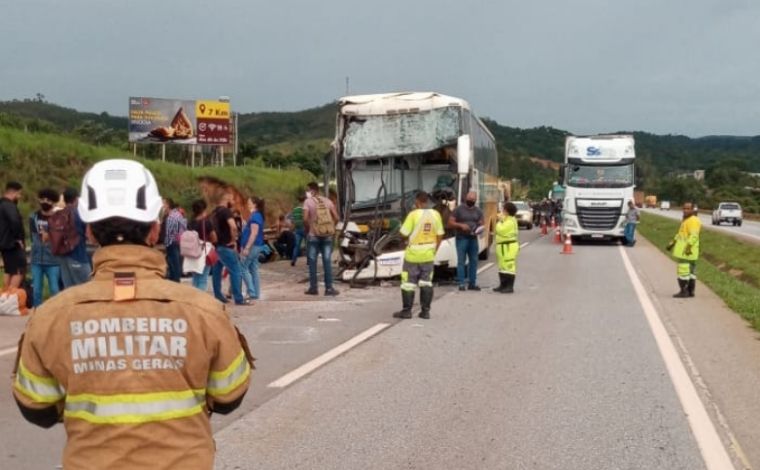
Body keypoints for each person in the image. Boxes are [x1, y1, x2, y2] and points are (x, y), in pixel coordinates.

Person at [12, 159, 252, 470]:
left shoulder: (50, 316)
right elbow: (229, 395)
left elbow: (36, 407)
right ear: (155, 229)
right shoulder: (203, 311)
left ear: (90, 231)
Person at [393, 192, 444, 319]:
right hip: (428, 255)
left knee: (408, 283)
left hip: (413, 255)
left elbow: (404, 233)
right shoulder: (436, 214)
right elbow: (440, 234)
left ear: (417, 202)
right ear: (428, 202)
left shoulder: (413, 215)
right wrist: (434, 250)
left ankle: (407, 311)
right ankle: (425, 312)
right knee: (426, 282)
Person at [211, 193, 250, 305]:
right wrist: (233, 241)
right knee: (236, 270)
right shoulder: (226, 211)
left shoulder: (214, 213)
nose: (233, 202)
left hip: (217, 246)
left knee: (217, 271)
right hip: (226, 246)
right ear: (226, 199)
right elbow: (233, 226)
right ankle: (238, 298)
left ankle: (218, 295)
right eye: (232, 199)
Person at [303, 182, 339, 296]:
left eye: (307, 190)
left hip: (313, 236)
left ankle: (313, 288)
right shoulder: (327, 201)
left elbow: (304, 219)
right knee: (327, 261)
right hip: (327, 236)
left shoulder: (307, 202)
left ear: (312, 191)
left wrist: (310, 228)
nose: (307, 193)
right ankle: (329, 289)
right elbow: (337, 217)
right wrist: (330, 227)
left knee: (312, 262)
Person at [28, 188, 61, 307]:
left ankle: (56, 312)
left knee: (54, 289)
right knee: (36, 290)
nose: (45, 202)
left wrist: (50, 234)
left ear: (54, 202)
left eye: (48, 200)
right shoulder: (33, 217)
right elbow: (33, 237)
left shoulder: (58, 218)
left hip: (53, 261)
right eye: (43, 199)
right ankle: (37, 315)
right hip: (36, 260)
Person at [56, 187, 92, 288]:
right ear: (76, 199)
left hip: (63, 258)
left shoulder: (58, 214)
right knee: (86, 288)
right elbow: (89, 234)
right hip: (78, 256)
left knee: (69, 290)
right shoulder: (79, 214)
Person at [448, 191, 484, 291]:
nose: (471, 201)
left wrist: (479, 228)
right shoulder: (458, 209)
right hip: (461, 238)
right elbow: (450, 222)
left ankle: (472, 283)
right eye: (470, 199)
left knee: (474, 261)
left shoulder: (478, 211)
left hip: (473, 238)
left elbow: (482, 223)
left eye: (473, 200)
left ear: (475, 200)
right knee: (461, 261)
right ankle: (461, 283)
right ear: (466, 198)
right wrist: (461, 225)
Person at [666, 202, 701, 298]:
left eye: (688, 208)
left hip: (687, 251)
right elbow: (680, 234)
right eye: (684, 208)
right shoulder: (686, 220)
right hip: (689, 251)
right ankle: (690, 291)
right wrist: (672, 243)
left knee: (683, 271)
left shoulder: (693, 220)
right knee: (691, 271)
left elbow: (694, 235)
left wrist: (688, 247)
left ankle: (684, 291)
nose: (685, 210)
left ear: (693, 209)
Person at [0, 181, 26, 290]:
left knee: (9, 270)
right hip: (12, 244)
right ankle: (10, 298)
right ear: (14, 192)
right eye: (19, 194)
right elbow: (15, 221)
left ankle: (3, 297)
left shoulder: (1, 204)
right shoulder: (9, 205)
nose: (19, 197)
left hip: (3, 244)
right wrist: (18, 238)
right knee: (19, 270)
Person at [186, 199, 217, 292]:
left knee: (195, 277)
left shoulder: (190, 222)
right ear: (204, 209)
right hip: (203, 252)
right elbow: (214, 238)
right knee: (203, 278)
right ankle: (200, 300)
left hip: (192, 251)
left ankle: (194, 298)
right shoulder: (206, 222)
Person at [240, 198, 266, 301]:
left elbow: (254, 233)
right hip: (257, 245)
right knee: (253, 268)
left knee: (243, 267)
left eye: (249, 202)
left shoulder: (255, 216)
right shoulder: (257, 215)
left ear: (254, 204)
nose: (248, 204)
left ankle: (251, 292)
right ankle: (256, 292)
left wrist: (247, 247)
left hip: (253, 245)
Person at [493, 202, 519, 293]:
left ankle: (509, 286)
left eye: (504, 209)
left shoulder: (510, 221)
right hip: (503, 246)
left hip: (508, 246)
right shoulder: (507, 219)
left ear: (507, 211)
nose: (502, 211)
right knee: (502, 266)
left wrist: (499, 221)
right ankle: (503, 285)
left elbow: (500, 230)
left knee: (508, 266)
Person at [162, 198, 187, 282]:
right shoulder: (177, 214)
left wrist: (167, 241)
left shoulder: (171, 216)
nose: (162, 205)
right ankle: (175, 278)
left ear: (168, 205)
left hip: (172, 241)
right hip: (176, 240)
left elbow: (169, 231)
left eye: (164, 203)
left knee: (174, 261)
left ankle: (175, 279)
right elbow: (184, 226)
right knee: (174, 261)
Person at [289, 196, 306, 266]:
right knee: (308, 245)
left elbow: (292, 220)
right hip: (305, 229)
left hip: (297, 230)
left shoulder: (294, 209)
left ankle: (293, 260)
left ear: (298, 201)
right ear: (304, 201)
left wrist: (292, 228)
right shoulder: (304, 209)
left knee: (297, 246)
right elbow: (306, 219)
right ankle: (309, 261)